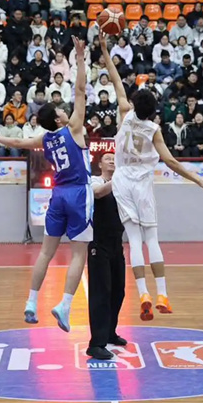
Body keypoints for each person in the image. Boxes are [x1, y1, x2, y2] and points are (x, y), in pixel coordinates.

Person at [99, 31, 203, 321]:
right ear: (153, 112)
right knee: (152, 239)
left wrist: (104, 48)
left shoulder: (124, 113)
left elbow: (115, 79)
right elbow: (171, 162)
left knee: (133, 240)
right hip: (142, 184)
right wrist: (199, 180)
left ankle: (143, 295)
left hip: (121, 182)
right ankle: (162, 294)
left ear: (134, 105)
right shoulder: (154, 130)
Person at [0, 36, 90, 332]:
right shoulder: (74, 129)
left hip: (57, 195)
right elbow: (81, 90)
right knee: (79, 252)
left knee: (45, 252)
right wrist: (79, 58)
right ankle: (65, 305)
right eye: (60, 109)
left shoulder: (45, 138)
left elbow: (19, 142)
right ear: (58, 119)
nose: (65, 109)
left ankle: (31, 302)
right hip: (79, 193)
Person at [86, 152, 128, 360]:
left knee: (118, 291)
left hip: (116, 244)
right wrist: (119, 178)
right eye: (107, 158)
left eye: (114, 158)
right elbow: (98, 193)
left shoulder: (122, 186)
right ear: (100, 164)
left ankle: (110, 332)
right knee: (101, 293)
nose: (112, 160)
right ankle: (96, 343)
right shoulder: (95, 181)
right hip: (98, 244)